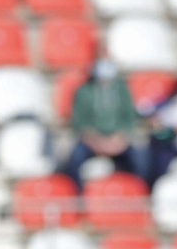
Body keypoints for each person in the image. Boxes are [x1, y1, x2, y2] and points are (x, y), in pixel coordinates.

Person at [59, 58, 143, 186]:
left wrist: (120, 138)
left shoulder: (122, 90)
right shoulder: (83, 91)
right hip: (92, 141)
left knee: (139, 159)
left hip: (117, 141)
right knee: (75, 158)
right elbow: (79, 122)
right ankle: (76, 195)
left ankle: (139, 192)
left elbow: (129, 118)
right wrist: (95, 141)